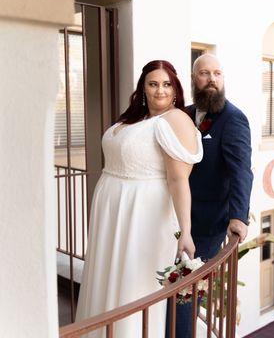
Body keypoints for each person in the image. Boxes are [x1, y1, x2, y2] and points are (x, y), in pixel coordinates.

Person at [76, 60, 203, 337]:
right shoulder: (137, 117)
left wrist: (186, 232)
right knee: (106, 279)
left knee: (131, 288)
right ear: (143, 88)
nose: (160, 91)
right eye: (153, 84)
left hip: (143, 214)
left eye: (166, 84)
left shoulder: (175, 119)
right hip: (113, 210)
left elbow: (178, 178)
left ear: (176, 88)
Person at [169, 54, 253, 337]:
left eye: (217, 73)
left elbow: (242, 171)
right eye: (205, 73)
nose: (212, 79)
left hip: (206, 226)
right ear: (194, 80)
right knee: (167, 287)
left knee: (185, 298)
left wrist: (238, 217)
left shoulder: (234, 119)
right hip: (174, 220)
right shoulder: (183, 113)